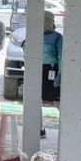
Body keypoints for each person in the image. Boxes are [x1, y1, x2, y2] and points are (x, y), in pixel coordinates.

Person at [24, 10, 63, 138]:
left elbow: (62, 57)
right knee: (35, 99)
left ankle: (67, 127)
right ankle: (40, 128)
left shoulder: (57, 37)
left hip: (51, 70)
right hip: (35, 69)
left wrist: (60, 76)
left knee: (57, 101)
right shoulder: (33, 35)